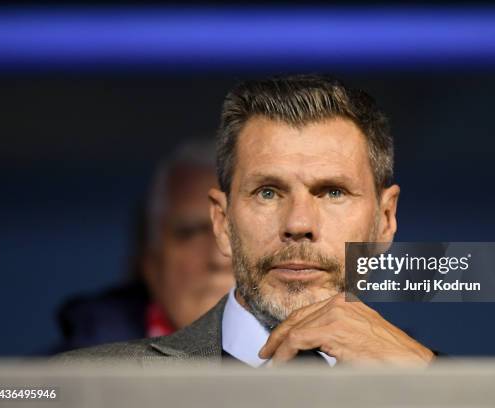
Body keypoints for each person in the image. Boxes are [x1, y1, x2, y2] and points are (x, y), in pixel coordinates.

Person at [58, 74, 435, 366]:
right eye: (267, 192)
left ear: (385, 219)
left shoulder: (441, 385)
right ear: (222, 222)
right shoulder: (78, 386)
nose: (298, 223)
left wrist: (434, 383)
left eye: (333, 192)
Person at [55, 146, 234, 352]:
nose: (218, 259)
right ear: (151, 263)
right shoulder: (51, 379)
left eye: (239, 233)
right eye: (191, 233)